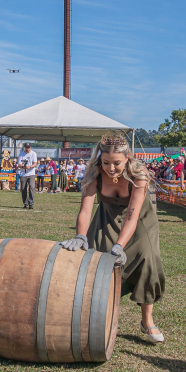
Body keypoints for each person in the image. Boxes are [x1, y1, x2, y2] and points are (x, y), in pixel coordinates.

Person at [59, 131, 166, 343]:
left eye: (116, 163)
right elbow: (85, 211)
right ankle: (99, 317)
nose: (110, 168)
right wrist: (81, 236)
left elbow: (132, 216)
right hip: (106, 216)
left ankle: (147, 320)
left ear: (127, 157)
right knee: (97, 262)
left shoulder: (139, 175)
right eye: (106, 162)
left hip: (140, 220)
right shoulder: (94, 174)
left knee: (147, 259)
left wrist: (119, 245)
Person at [18, 143, 38, 208]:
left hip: (31, 173)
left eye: (29, 147)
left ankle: (31, 203)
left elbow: (35, 164)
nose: (28, 148)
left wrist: (30, 167)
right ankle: (25, 203)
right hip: (23, 174)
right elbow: (19, 164)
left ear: (30, 147)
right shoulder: (21, 154)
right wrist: (24, 167)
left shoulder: (33, 154)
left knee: (32, 187)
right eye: (27, 147)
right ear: (24, 147)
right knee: (23, 188)